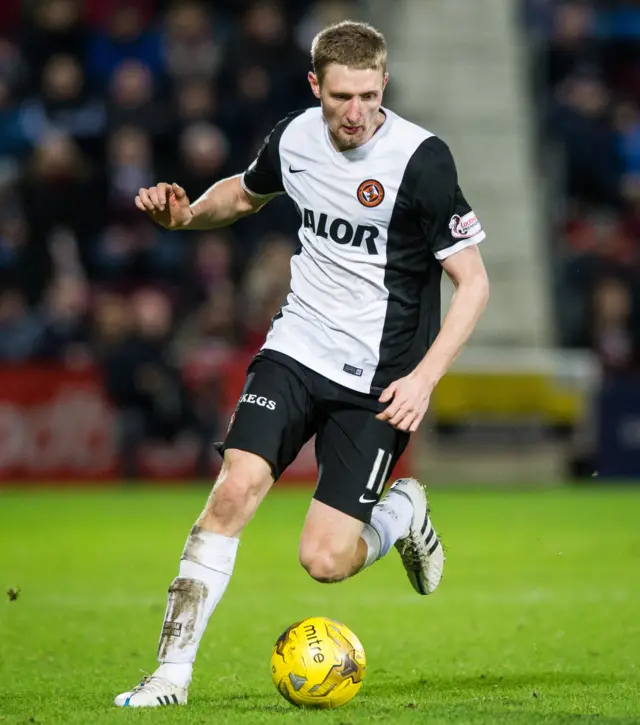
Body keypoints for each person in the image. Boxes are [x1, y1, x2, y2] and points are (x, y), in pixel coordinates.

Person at [115, 20, 490, 708]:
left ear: (384, 84)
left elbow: (474, 282)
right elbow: (245, 192)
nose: (356, 114)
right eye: (342, 96)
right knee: (233, 490)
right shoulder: (294, 136)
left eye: (370, 96)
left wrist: (426, 377)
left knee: (324, 560)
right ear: (316, 85)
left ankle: (400, 514)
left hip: (380, 380)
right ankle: (169, 676)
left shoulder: (421, 160)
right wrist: (187, 215)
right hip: (297, 347)